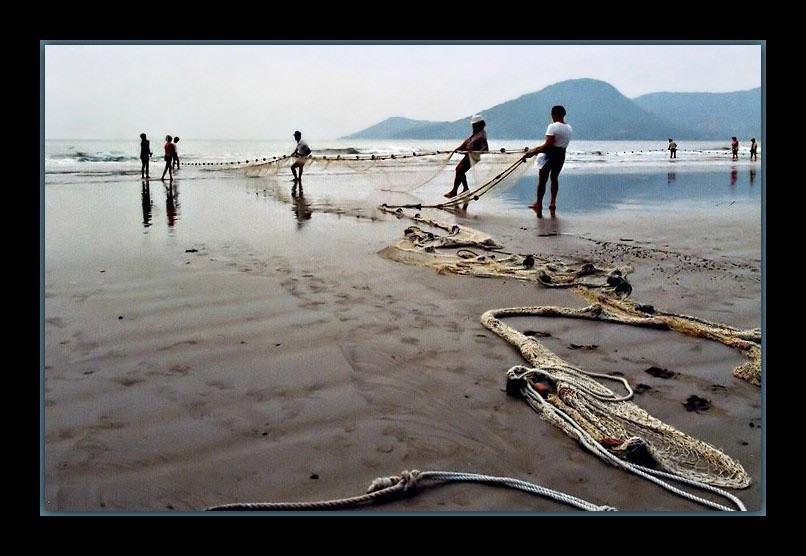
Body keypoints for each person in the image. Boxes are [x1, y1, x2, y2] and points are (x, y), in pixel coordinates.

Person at [523, 105, 572, 214]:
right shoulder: (569, 128)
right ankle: (553, 202)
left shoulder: (553, 126)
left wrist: (533, 152)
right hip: (561, 155)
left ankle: (539, 203)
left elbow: (548, 145)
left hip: (550, 156)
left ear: (553, 114)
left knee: (542, 180)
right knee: (554, 178)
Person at [444, 114, 489, 198]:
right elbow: (466, 143)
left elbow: (485, 149)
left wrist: (476, 152)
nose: (472, 126)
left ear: (478, 125)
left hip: (473, 157)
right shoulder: (476, 133)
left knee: (460, 170)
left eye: (474, 125)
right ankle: (461, 189)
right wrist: (457, 149)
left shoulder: (482, 135)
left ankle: (460, 190)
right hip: (469, 156)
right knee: (458, 169)